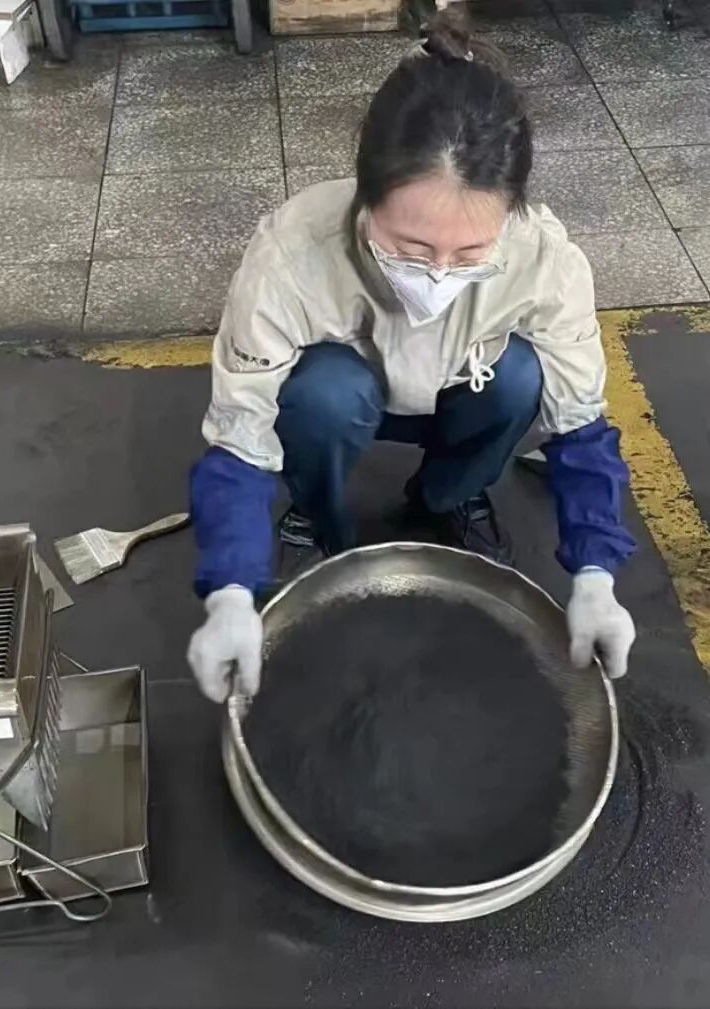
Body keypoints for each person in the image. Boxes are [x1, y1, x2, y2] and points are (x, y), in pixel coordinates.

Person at [186, 11, 637, 703]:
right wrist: (229, 592)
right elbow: (239, 438)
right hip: (345, 403)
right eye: (411, 247)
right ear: (365, 197)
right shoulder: (291, 254)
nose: (438, 273)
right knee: (321, 393)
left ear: (510, 213)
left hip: (462, 391)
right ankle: (317, 516)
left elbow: (581, 430)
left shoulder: (544, 259)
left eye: (470, 252)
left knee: (521, 375)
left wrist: (597, 577)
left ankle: (447, 497)